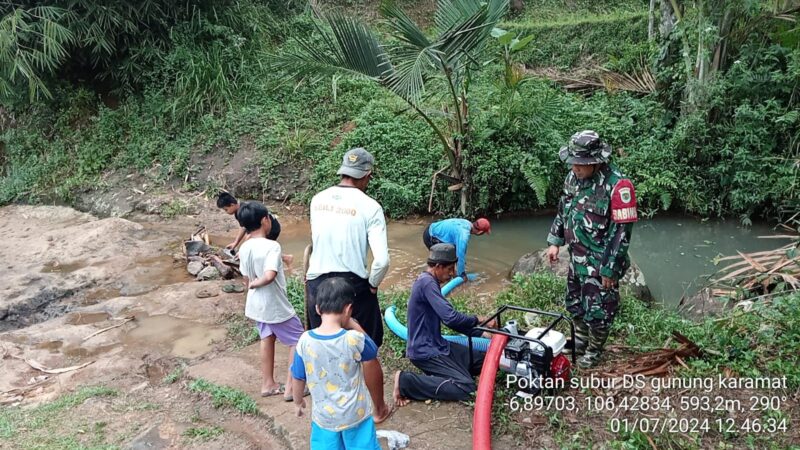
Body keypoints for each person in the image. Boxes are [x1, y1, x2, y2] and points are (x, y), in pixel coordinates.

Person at [305, 147, 391, 422]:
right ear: (367, 175)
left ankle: (329, 406)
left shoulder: (317, 200)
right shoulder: (371, 206)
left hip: (317, 284)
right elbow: (382, 261)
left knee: (322, 342)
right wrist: (373, 286)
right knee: (366, 349)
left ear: (343, 171)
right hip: (351, 286)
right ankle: (378, 410)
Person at [546, 130, 638, 369]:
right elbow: (562, 209)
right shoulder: (572, 178)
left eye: (580, 163)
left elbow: (621, 232)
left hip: (600, 262)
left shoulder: (618, 186)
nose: (575, 167)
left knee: (598, 310)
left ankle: (595, 350)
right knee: (574, 303)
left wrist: (611, 269)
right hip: (577, 257)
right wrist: (555, 241)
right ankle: (581, 341)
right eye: (573, 162)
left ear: (596, 162)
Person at [392, 243, 497, 406]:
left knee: (486, 361)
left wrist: (479, 333)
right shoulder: (427, 283)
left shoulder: (429, 282)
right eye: (450, 269)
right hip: (425, 352)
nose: (453, 273)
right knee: (466, 387)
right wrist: (479, 319)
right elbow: (451, 318)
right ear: (438, 267)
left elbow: (449, 320)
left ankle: (451, 371)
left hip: (439, 345)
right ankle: (406, 382)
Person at [291, 277, 382, 450]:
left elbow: (297, 376)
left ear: (318, 308)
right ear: (348, 309)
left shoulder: (305, 341)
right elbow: (372, 350)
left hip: (325, 418)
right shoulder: (353, 339)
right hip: (356, 415)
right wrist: (353, 324)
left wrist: (298, 402)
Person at [237, 201, 304, 400]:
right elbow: (270, 275)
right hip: (273, 304)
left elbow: (245, 277)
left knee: (267, 336)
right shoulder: (272, 246)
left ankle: (268, 384)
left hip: (256, 305)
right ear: (264, 220)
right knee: (299, 340)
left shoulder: (245, 246)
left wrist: (250, 285)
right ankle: (291, 388)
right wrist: (256, 284)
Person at [423, 218, 491, 281]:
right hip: (431, 235)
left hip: (434, 229)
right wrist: (462, 275)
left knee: (450, 259)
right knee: (441, 263)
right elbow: (460, 256)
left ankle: (451, 277)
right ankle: (432, 280)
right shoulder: (464, 235)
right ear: (480, 232)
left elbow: (458, 253)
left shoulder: (467, 223)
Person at [217, 192, 281, 251]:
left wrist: (243, 250)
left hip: (272, 228)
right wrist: (235, 243)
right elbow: (243, 228)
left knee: (263, 248)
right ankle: (285, 257)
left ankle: (285, 258)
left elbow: (250, 234)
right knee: (264, 248)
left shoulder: (244, 213)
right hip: (268, 226)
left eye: (226, 209)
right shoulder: (241, 210)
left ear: (232, 205)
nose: (226, 212)